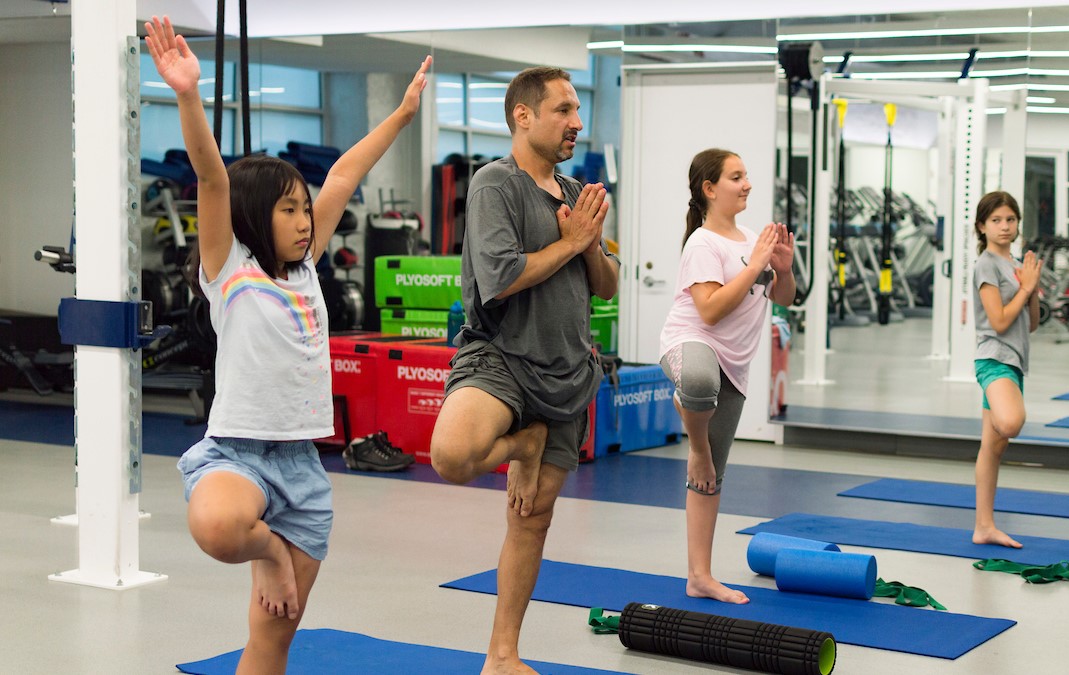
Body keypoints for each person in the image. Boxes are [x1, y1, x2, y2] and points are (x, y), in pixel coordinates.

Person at [145, 17, 430, 674]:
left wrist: (402, 116)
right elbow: (212, 177)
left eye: (306, 210)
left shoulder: (306, 269)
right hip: (237, 456)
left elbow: (345, 176)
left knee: (271, 638)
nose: (305, 222)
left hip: (301, 468)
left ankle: (274, 567)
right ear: (253, 217)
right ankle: (269, 552)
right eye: (288, 211)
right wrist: (189, 94)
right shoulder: (229, 270)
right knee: (219, 528)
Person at [428, 66, 618, 674]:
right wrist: (570, 242)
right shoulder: (495, 184)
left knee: (531, 521)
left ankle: (502, 657)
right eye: (563, 110)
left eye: (577, 111)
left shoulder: (572, 191)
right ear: (523, 116)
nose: (577, 123)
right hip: (502, 357)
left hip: (567, 371)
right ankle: (524, 440)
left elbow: (607, 287)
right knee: (452, 456)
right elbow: (502, 276)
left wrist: (589, 241)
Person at [658, 148, 795, 604]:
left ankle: (700, 576)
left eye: (747, 175)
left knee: (710, 477)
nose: (748, 184)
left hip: (733, 368)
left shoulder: (751, 238)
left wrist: (784, 269)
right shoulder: (703, 243)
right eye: (737, 177)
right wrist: (756, 264)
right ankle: (693, 433)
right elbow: (711, 311)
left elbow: (785, 299)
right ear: (710, 189)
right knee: (698, 384)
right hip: (690, 345)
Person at [970, 191, 1041, 549]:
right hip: (994, 357)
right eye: (996, 220)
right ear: (982, 226)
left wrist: (1033, 289)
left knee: (992, 448)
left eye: (1010, 219)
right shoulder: (986, 264)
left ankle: (984, 526)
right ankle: (983, 524)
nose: (1004, 226)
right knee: (1010, 422)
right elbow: (998, 321)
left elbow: (1032, 324)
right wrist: (1024, 287)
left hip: (1015, 361)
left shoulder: (1015, 264)